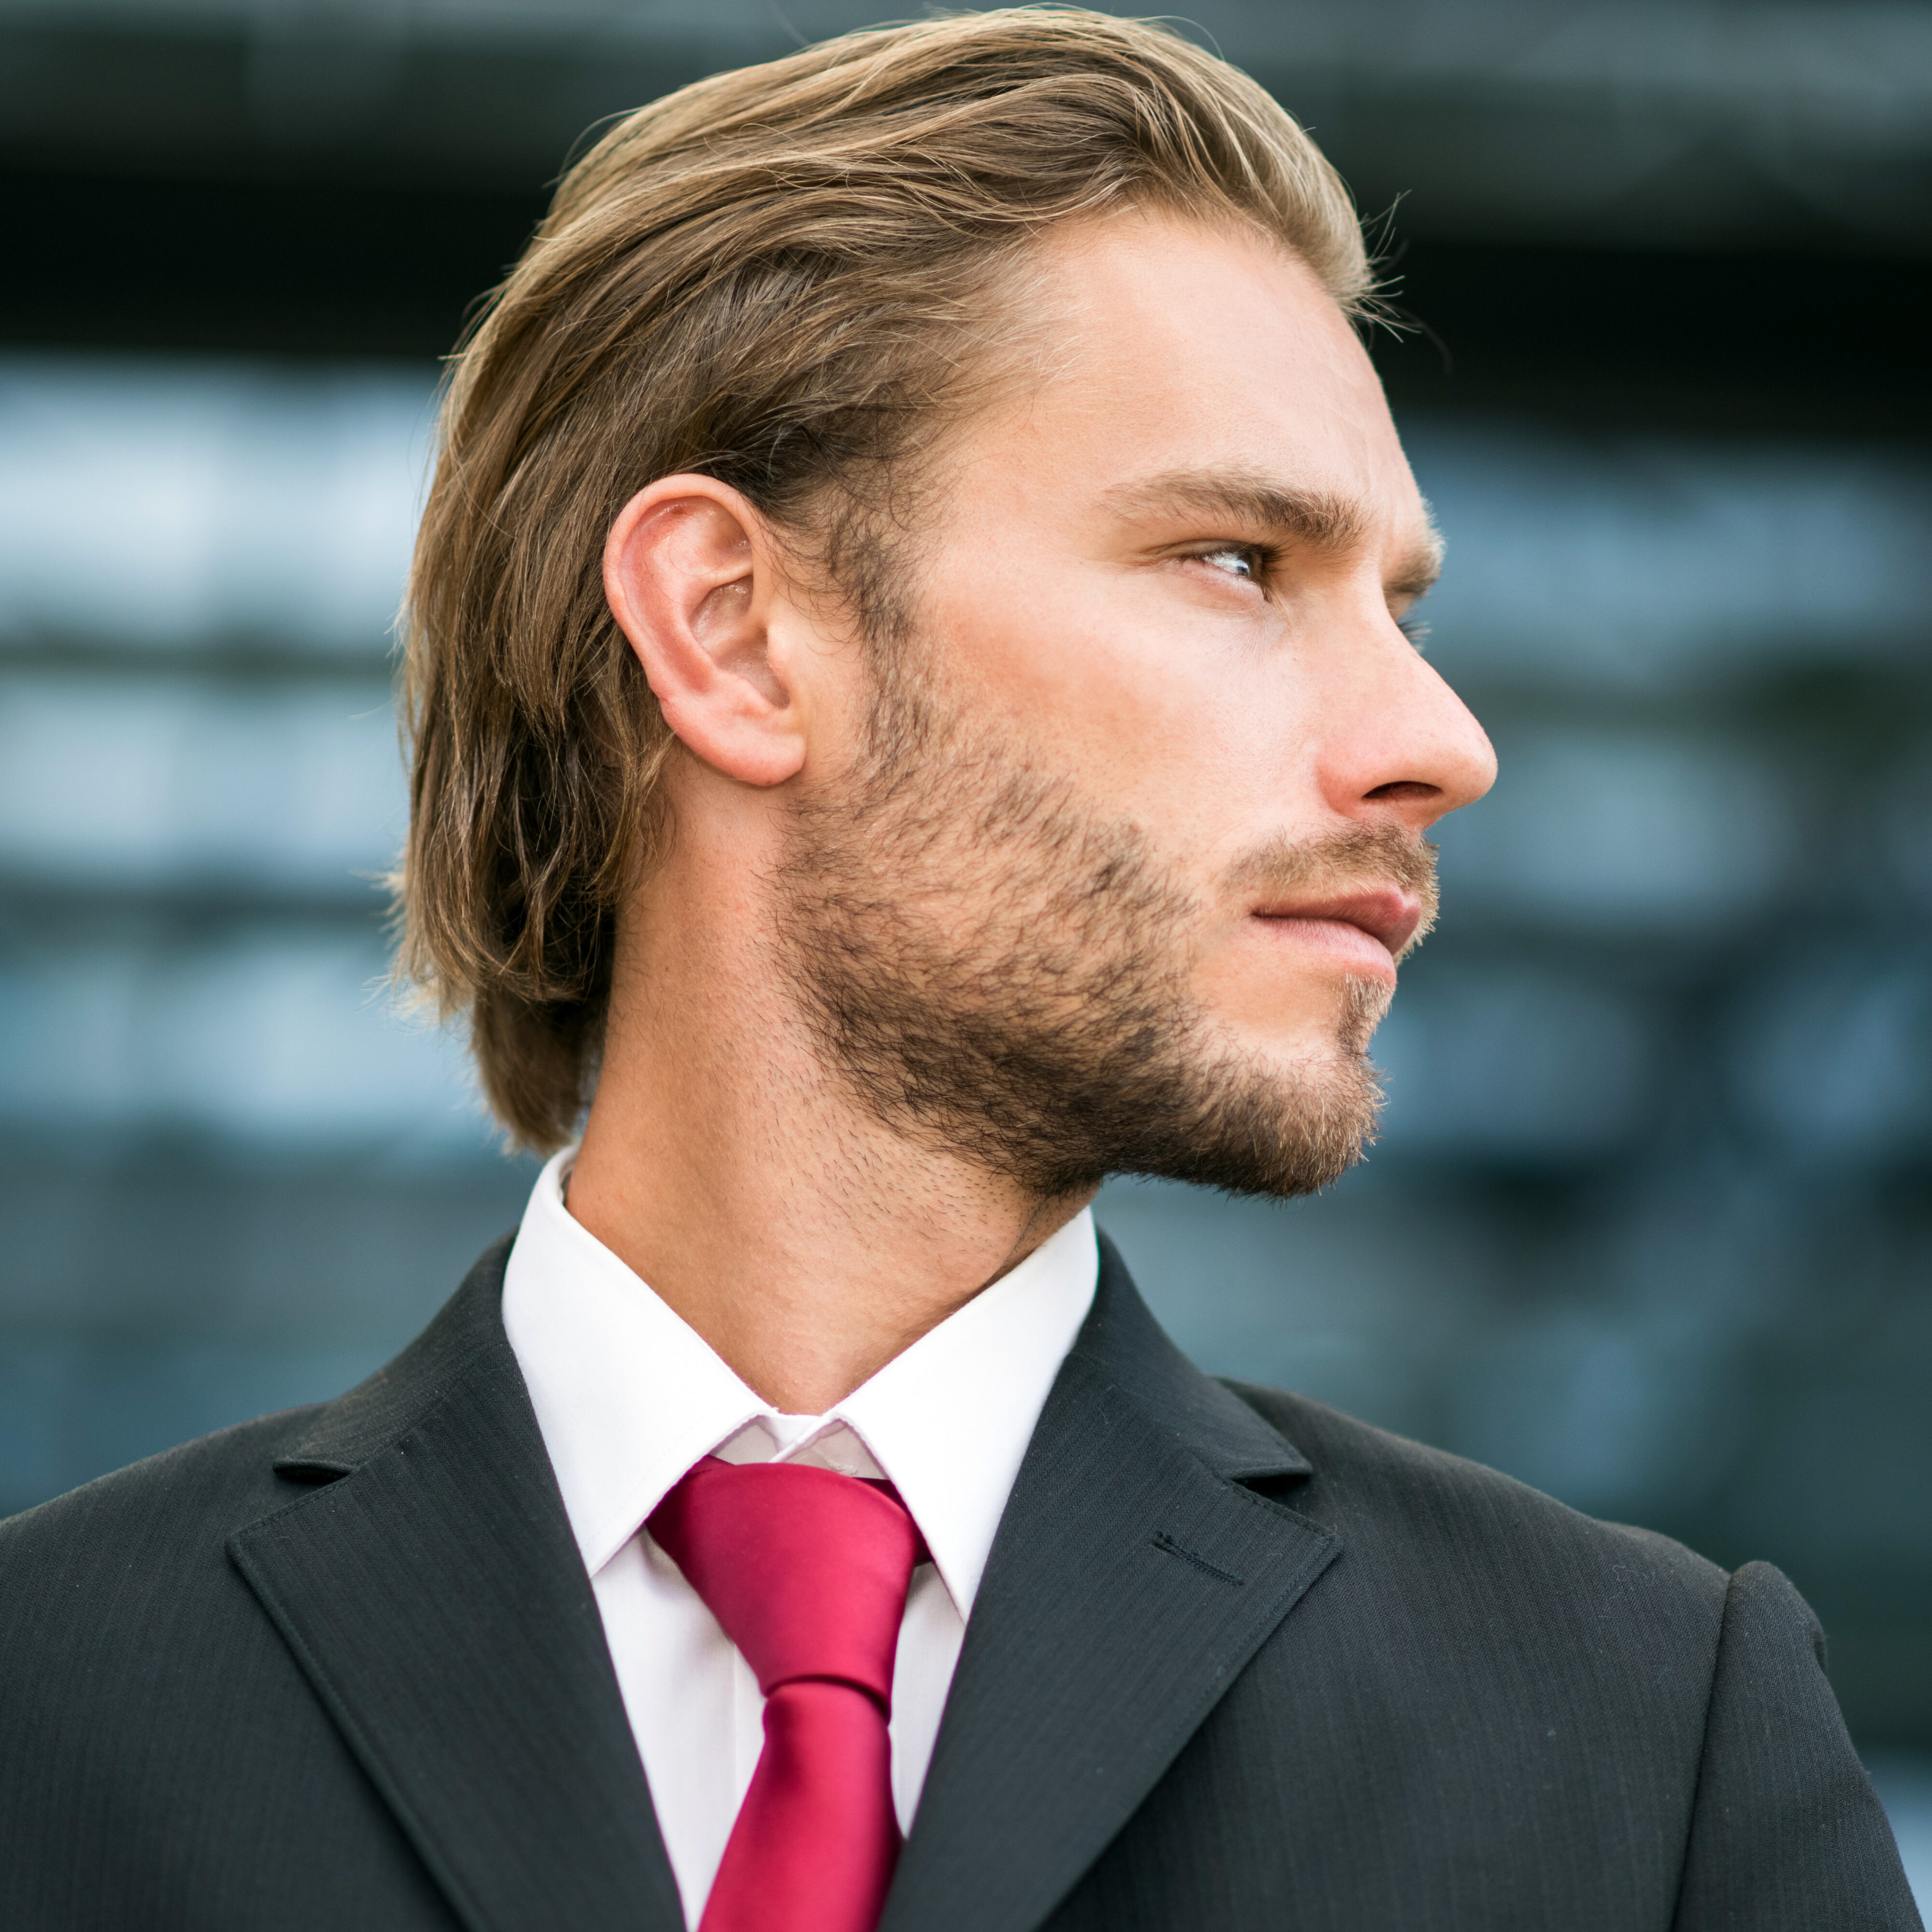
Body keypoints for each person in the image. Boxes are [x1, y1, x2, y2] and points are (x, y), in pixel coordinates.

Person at [0, 11, 1918, 1931]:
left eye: (1401, 604)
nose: (1440, 736)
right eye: (1241, 559)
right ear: (736, 633)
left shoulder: (1644, 1741)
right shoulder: (48, 1716)